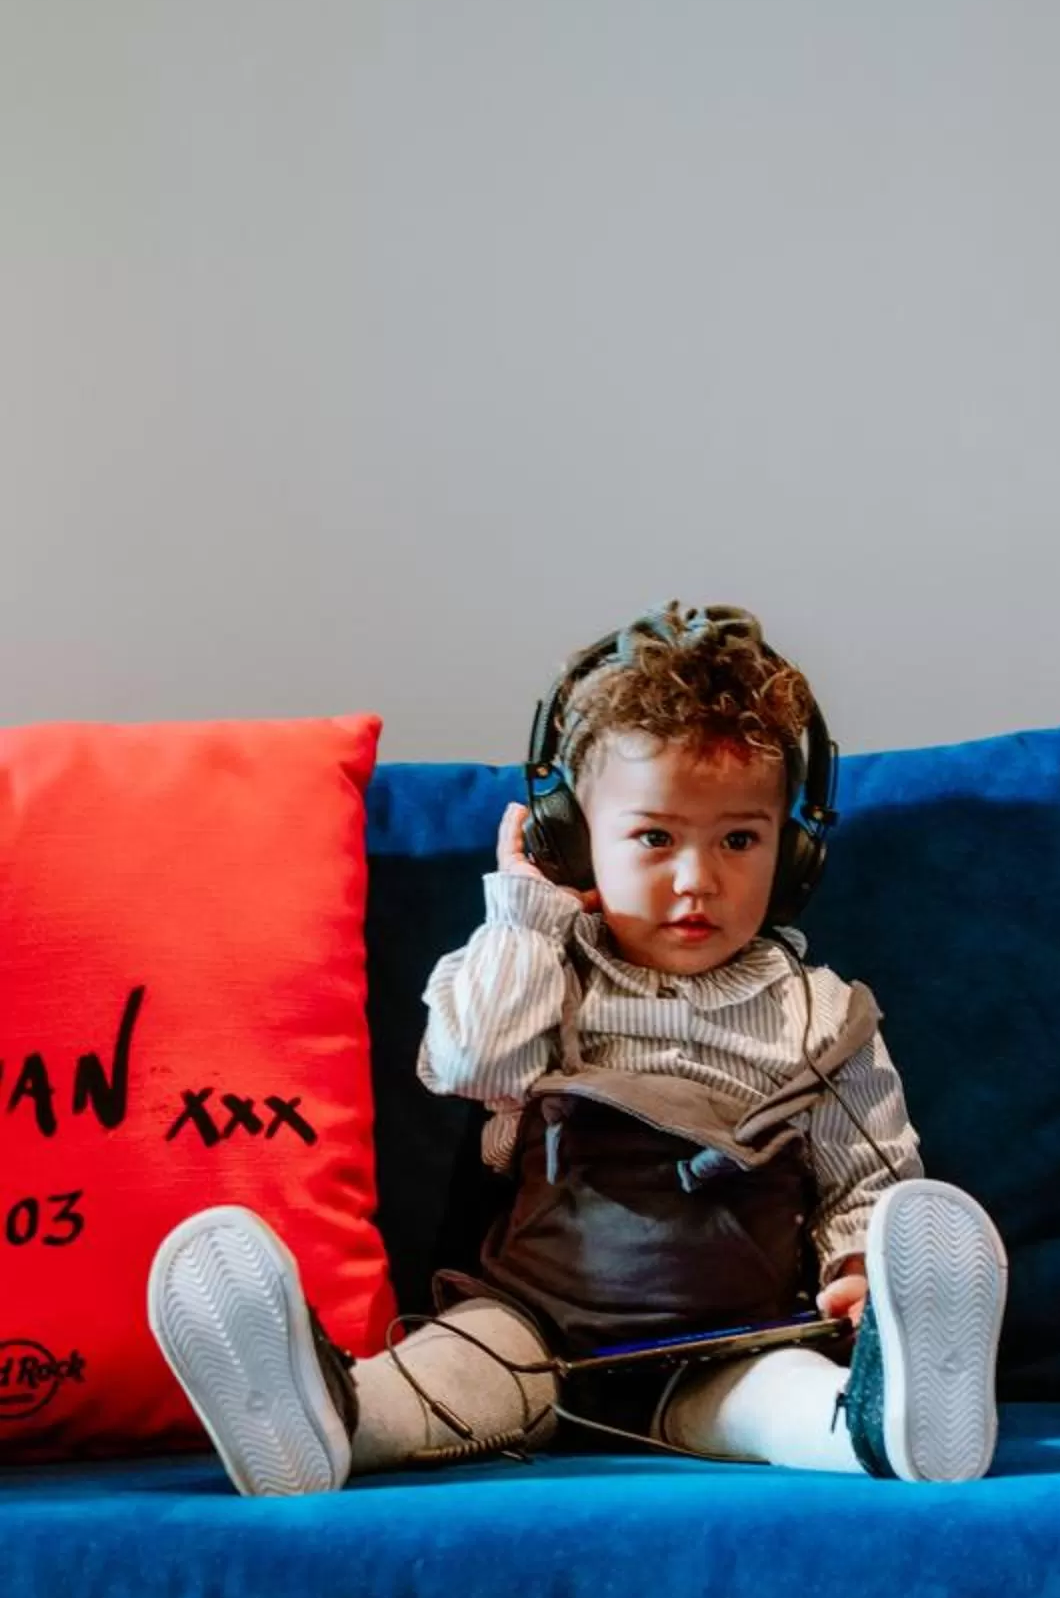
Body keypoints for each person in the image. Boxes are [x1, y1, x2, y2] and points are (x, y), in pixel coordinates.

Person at [146, 604, 1008, 1494]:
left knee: (782, 1403)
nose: (696, 879)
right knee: (445, 1378)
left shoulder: (822, 1014)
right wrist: (525, 911)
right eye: (654, 838)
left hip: (729, 1343)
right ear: (572, 840)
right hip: (530, 1330)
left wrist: (864, 1272)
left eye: (740, 840)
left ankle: (880, 1417)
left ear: (794, 855)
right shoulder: (543, 964)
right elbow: (473, 1064)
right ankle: (325, 1417)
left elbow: (869, 1181)